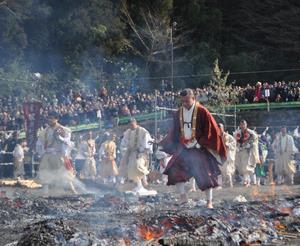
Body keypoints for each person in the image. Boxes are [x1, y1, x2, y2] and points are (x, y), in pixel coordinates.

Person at [159, 89, 226, 208]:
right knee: (174, 170)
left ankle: (209, 202)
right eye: (182, 101)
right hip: (184, 147)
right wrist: (163, 142)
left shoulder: (202, 111)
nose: (184, 103)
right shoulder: (179, 112)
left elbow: (211, 130)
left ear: (193, 98)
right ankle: (183, 197)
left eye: (187, 100)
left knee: (205, 174)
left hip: (198, 147)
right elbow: (174, 131)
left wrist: (200, 142)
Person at [37, 112, 77, 194]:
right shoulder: (44, 131)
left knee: (65, 174)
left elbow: (68, 143)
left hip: (59, 155)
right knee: (45, 173)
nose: (49, 120)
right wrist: (41, 153)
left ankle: (73, 191)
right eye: (48, 118)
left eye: (51, 118)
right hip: (47, 155)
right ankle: (45, 193)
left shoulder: (64, 129)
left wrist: (60, 138)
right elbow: (39, 143)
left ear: (56, 119)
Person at [119, 118, 156, 195]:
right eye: (129, 124)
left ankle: (144, 182)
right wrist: (126, 151)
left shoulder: (143, 131)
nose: (131, 126)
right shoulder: (127, 132)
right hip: (131, 154)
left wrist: (142, 150)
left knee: (138, 165)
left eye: (132, 123)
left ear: (135, 122)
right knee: (130, 169)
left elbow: (148, 142)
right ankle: (138, 185)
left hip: (142, 153)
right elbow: (123, 144)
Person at [234, 120, 259, 187]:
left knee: (247, 166)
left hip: (248, 152)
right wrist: (237, 147)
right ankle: (247, 181)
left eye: (243, 124)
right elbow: (236, 141)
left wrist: (250, 145)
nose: (242, 126)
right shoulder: (238, 133)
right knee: (243, 167)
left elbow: (255, 140)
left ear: (246, 125)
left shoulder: (250, 132)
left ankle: (252, 181)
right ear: (240, 125)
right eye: (241, 124)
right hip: (241, 151)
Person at [218, 123, 236, 188]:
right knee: (221, 170)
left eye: (220, 128)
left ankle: (230, 184)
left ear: (223, 128)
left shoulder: (228, 136)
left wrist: (228, 144)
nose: (219, 129)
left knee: (227, 170)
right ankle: (221, 184)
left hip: (227, 155)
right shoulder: (217, 136)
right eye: (218, 128)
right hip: (219, 155)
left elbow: (234, 142)